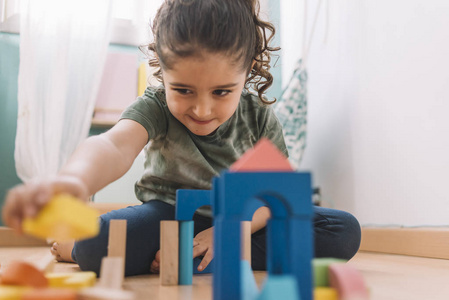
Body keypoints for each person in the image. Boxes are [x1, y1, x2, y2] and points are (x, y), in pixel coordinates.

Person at [2, 0, 361, 276]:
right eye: (184, 90)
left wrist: (233, 231)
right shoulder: (155, 106)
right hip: (168, 217)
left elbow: (275, 195)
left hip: (245, 222)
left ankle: (217, 253)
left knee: (342, 231)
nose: (202, 110)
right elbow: (114, 145)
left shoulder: (259, 117)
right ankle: (101, 248)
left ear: (248, 68)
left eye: (221, 92)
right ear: (162, 65)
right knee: (97, 245)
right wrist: (74, 179)